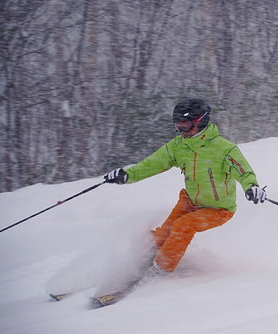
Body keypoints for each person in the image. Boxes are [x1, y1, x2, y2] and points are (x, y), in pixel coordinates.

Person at [103, 97, 266, 275]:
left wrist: (251, 188)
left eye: (185, 125)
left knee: (183, 226)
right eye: (177, 126)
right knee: (163, 235)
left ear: (200, 121)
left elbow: (244, 172)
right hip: (189, 202)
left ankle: (160, 270)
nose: (181, 130)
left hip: (219, 209)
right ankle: (142, 260)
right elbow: (152, 164)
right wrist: (127, 175)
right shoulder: (178, 146)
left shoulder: (224, 149)